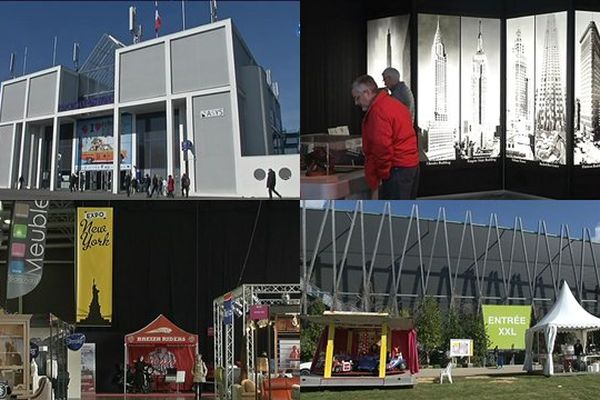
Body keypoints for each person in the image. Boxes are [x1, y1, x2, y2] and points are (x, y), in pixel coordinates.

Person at [351, 74, 419, 199]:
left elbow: (382, 146)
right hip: (410, 167)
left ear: (367, 92)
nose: (356, 103)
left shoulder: (378, 110)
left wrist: (382, 174)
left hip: (396, 169)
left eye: (357, 98)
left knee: (393, 213)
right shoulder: (395, 104)